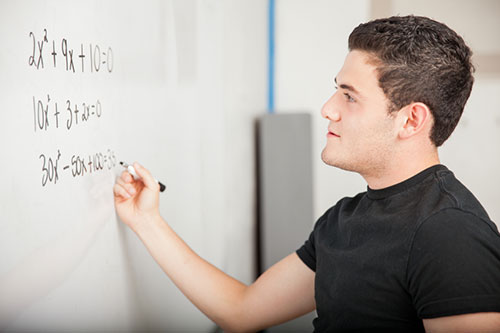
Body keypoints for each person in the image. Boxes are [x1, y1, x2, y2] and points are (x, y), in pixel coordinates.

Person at [114, 15, 500, 332]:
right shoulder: (343, 219)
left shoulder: (450, 233)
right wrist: (146, 221)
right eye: (337, 90)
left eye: (349, 96)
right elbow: (241, 310)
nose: (328, 109)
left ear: (411, 119)